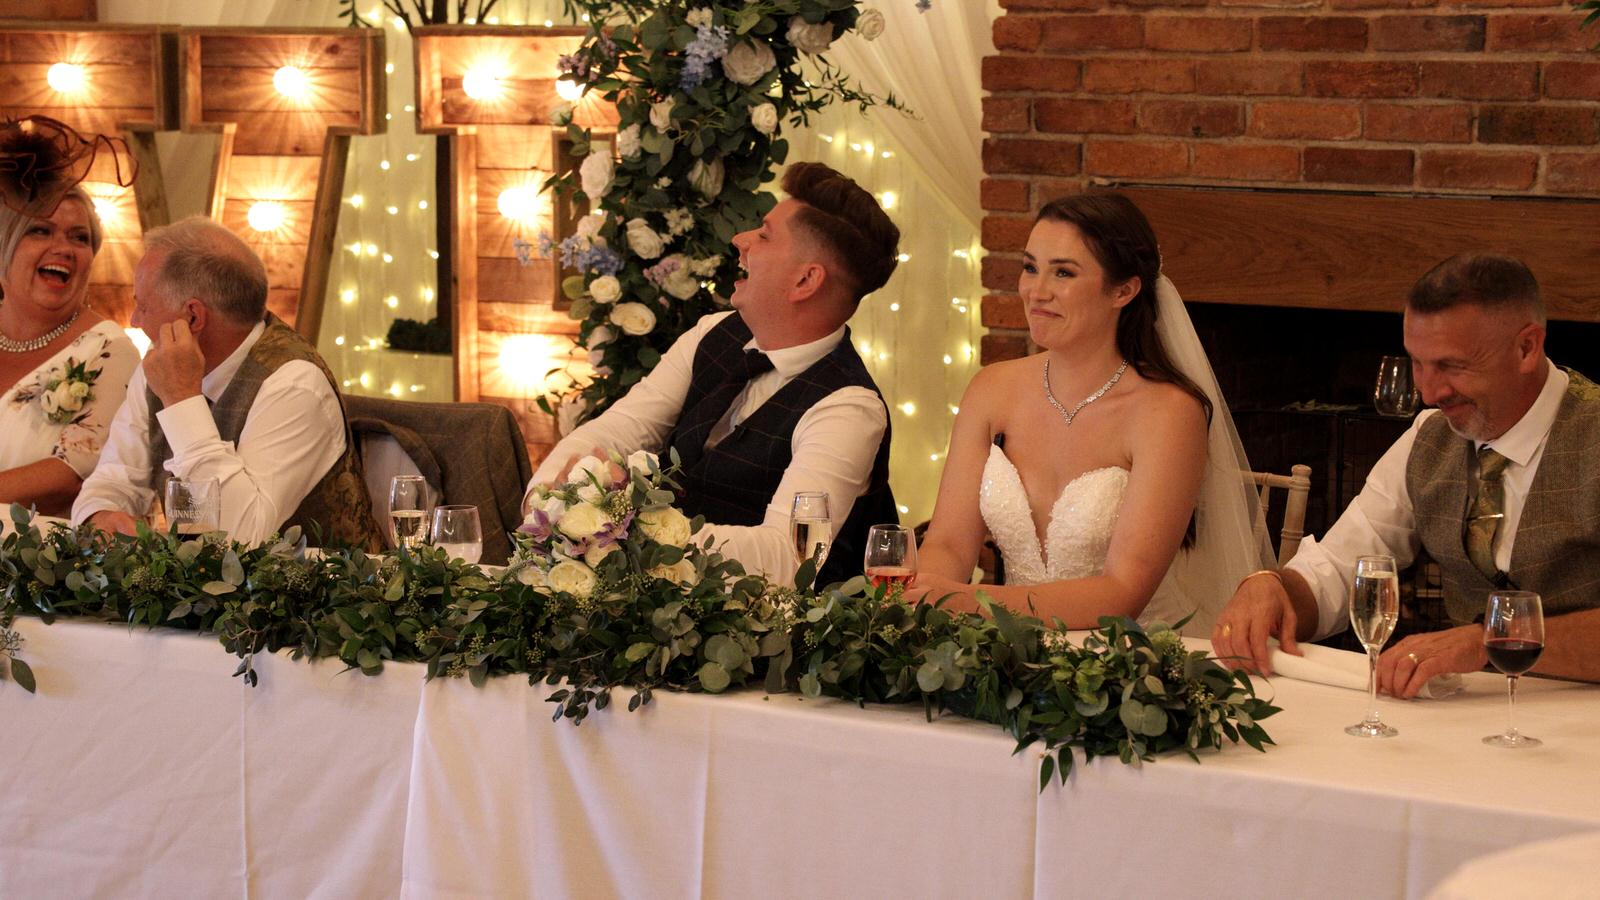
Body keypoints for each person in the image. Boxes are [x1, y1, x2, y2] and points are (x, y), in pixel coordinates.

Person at [1211, 253, 1600, 696]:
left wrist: (1487, 642)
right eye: (1418, 363)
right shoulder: (1428, 437)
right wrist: (1273, 587)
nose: (1429, 393)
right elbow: (1343, 565)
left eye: (1451, 366)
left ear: (1526, 347)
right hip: (1472, 713)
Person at [526, 162, 900, 585]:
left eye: (763, 235)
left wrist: (622, 530)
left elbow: (788, 556)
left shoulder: (849, 407)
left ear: (806, 280)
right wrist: (547, 505)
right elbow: (615, 430)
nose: (740, 241)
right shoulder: (713, 333)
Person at [910, 193, 1267, 635]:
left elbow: (1122, 593)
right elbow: (947, 542)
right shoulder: (991, 389)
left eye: (1063, 272)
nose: (1036, 292)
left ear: (1124, 290)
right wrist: (924, 596)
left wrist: (972, 601)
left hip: (1131, 662)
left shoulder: (1168, 413)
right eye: (1030, 267)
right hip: (1003, 654)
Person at [71, 216, 381, 549]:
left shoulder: (294, 385)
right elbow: (114, 476)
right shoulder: (157, 366)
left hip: (322, 590)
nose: (135, 320)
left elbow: (241, 538)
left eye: (143, 306)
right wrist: (99, 515)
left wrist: (181, 399)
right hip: (202, 593)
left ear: (192, 317)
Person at [0, 181, 139, 518]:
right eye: (40, 231)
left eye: (80, 238)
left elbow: (72, 473)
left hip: (36, 561)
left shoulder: (110, 352)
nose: (63, 248)